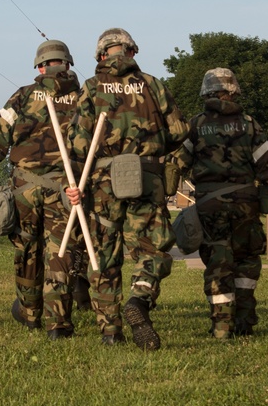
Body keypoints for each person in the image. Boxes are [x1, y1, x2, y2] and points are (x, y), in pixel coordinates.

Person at [66, 28, 190, 350]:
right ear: (132, 52)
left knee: (103, 256)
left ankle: (110, 332)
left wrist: (76, 184)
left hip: (103, 183)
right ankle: (139, 298)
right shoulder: (153, 85)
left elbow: (77, 143)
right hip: (146, 177)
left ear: (102, 56)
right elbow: (178, 131)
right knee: (152, 249)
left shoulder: (92, 88)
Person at [0, 39, 84, 339]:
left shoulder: (24, 96)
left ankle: (30, 314)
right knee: (61, 253)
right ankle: (59, 324)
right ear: (67, 64)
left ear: (40, 66)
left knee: (27, 250)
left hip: (25, 186)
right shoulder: (83, 98)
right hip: (67, 188)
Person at [170, 68, 268, 339]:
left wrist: (162, 195)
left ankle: (221, 327)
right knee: (247, 262)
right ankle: (244, 322)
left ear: (206, 92)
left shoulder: (195, 126)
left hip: (210, 206)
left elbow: (176, 165)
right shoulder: (249, 124)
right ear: (234, 91)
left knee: (218, 265)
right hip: (245, 205)